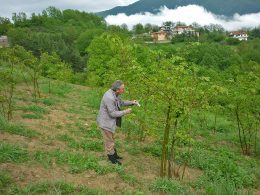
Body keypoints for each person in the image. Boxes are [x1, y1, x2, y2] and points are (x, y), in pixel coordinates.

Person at [97, 80, 138, 165]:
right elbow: (112, 113)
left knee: (111, 139)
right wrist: (125, 112)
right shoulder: (109, 97)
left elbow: (121, 102)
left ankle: (114, 155)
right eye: (123, 89)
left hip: (109, 122)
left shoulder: (115, 94)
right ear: (117, 90)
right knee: (109, 141)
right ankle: (112, 159)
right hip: (106, 122)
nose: (124, 90)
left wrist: (132, 102)